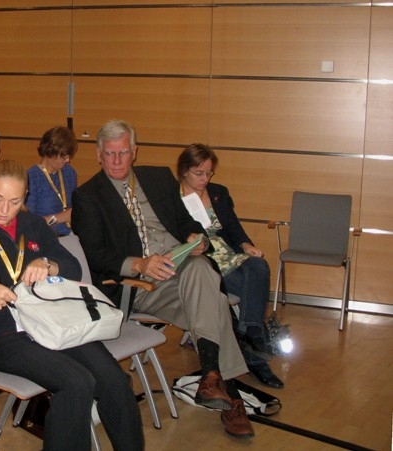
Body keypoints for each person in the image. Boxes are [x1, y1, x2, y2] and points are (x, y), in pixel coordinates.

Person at [0, 162, 144, 451]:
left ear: (24, 197)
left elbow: (73, 268)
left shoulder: (34, 226)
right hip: (9, 338)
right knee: (77, 383)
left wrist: (48, 264)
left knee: (114, 380)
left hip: (56, 325)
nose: (4, 209)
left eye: (14, 202)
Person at [71, 120, 254, 437]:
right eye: (110, 154)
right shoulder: (88, 196)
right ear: (99, 155)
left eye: (123, 152)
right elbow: (94, 254)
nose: (117, 160)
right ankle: (224, 391)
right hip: (142, 285)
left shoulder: (158, 178)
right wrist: (140, 264)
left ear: (134, 151)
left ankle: (212, 378)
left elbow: (184, 221)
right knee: (213, 303)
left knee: (200, 269)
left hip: (182, 266)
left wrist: (194, 237)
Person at [176, 144, 284, 389]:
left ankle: (248, 332)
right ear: (184, 170)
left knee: (258, 266)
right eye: (199, 173)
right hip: (201, 260)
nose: (205, 179)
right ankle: (256, 349)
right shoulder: (172, 197)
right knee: (247, 284)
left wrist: (246, 245)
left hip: (228, 254)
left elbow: (233, 226)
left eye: (209, 173)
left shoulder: (218, 192)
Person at [27, 127, 80, 236]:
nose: (68, 160)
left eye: (69, 156)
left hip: (72, 234)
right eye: (64, 156)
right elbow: (30, 224)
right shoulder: (32, 177)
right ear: (50, 152)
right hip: (46, 237)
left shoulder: (69, 172)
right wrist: (61, 217)